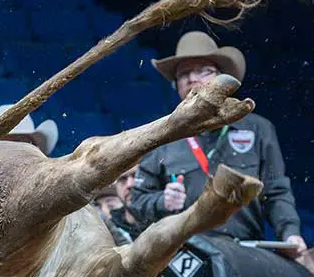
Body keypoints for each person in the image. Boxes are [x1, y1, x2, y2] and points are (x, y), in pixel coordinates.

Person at [129, 32, 304, 255]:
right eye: (184, 73)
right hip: (180, 254)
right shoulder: (162, 135)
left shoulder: (258, 129)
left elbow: (276, 191)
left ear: (222, 79)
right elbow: (137, 202)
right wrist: (162, 201)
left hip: (243, 251)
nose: (193, 79)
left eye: (204, 71)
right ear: (176, 85)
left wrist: (290, 233)